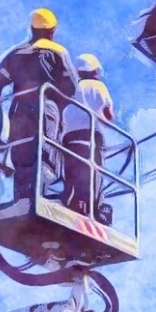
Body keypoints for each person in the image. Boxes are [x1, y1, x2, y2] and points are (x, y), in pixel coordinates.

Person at [0, 8, 79, 201]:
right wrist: (59, 105)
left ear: (32, 29)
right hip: (46, 110)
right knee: (44, 153)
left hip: (19, 112)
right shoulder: (58, 52)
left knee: (21, 155)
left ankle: (21, 199)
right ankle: (38, 197)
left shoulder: (17, 53)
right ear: (52, 31)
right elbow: (70, 86)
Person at [61, 54, 114, 224]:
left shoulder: (69, 89)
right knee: (93, 174)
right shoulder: (98, 86)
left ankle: (72, 204)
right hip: (92, 136)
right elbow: (108, 114)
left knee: (72, 175)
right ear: (93, 70)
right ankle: (93, 210)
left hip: (69, 138)